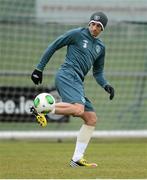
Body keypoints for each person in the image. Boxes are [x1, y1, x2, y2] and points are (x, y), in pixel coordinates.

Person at [31, 12, 115, 167]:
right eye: (92, 24)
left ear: (103, 29)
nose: (94, 27)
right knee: (78, 109)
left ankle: (76, 159)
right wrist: (39, 69)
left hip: (77, 81)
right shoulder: (77, 34)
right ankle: (41, 109)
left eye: (98, 26)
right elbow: (54, 45)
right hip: (66, 75)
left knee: (91, 118)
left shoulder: (101, 47)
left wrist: (106, 85)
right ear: (89, 23)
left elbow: (98, 72)